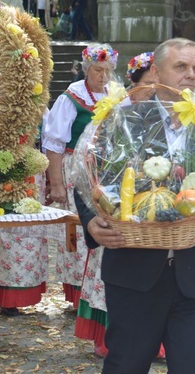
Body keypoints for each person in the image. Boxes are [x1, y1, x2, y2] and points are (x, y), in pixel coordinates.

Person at [76, 38, 195, 373]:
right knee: (125, 366)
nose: (191, 75)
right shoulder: (122, 121)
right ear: (156, 71)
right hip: (134, 274)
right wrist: (90, 222)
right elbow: (88, 178)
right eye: (181, 67)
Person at [74, 51, 160, 359]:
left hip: (152, 208)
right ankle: (108, 337)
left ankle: (157, 340)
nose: (154, 89)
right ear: (134, 84)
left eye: (158, 83)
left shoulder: (171, 116)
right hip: (117, 204)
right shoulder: (116, 116)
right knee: (114, 276)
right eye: (149, 83)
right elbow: (93, 165)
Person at [42, 43, 117, 308]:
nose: (103, 75)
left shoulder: (116, 96)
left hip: (108, 172)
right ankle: (78, 297)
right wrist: (58, 184)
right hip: (77, 171)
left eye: (107, 70)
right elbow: (54, 144)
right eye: (98, 69)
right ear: (86, 69)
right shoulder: (71, 98)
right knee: (81, 229)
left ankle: (101, 292)